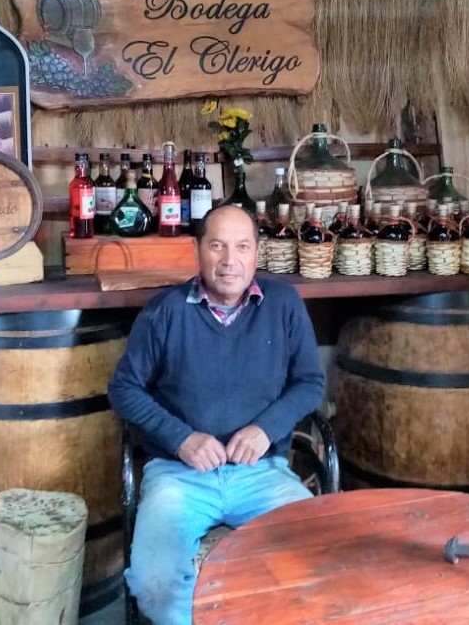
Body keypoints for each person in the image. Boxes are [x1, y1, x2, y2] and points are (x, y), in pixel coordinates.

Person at [108, 203, 325, 625]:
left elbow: (310, 383)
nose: (229, 260)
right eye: (217, 246)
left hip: (262, 473)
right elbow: (123, 389)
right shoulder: (165, 311)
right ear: (198, 251)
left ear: (257, 254)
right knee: (156, 585)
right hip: (178, 476)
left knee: (321, 557)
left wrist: (266, 429)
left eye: (242, 247)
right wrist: (182, 439)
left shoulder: (283, 304)